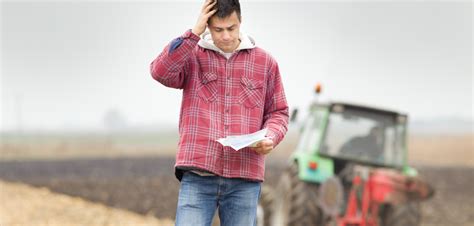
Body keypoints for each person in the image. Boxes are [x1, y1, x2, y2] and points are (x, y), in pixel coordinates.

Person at [149, 0, 289, 225]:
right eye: (218, 29)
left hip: (244, 177)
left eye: (231, 28)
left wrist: (270, 137)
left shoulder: (265, 62)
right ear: (208, 25)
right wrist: (193, 33)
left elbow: (279, 112)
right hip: (198, 174)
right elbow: (160, 72)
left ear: (240, 22)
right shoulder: (192, 55)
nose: (225, 36)